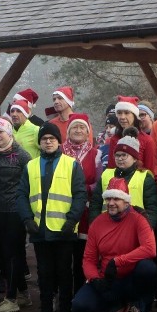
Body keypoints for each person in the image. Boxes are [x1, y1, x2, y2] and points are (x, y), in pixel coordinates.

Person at [17, 122, 86, 312]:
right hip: (39, 229)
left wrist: (72, 219)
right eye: (44, 139)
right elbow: (21, 194)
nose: (48, 142)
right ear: (39, 142)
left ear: (59, 142)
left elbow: (80, 194)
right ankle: (45, 310)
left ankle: (65, 311)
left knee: (65, 272)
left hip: (63, 229)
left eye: (52, 139)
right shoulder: (31, 165)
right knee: (44, 272)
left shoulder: (71, 164)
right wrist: (27, 219)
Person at [72, 177, 157, 312]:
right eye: (108, 198)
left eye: (116, 199)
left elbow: (150, 249)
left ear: (126, 202)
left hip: (132, 278)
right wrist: (94, 279)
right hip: (109, 280)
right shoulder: (98, 222)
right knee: (80, 307)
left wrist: (117, 261)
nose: (111, 203)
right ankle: (118, 305)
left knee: (148, 268)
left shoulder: (139, 219)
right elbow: (89, 259)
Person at [0, 117, 33, 312]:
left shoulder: (22, 156)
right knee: (2, 253)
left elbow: (31, 183)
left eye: (2, 132)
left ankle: (11, 298)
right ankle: (24, 294)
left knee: (13, 254)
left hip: (15, 210)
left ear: (10, 134)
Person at [61, 113, 101, 293]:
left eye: (82, 127)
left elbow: (99, 183)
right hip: (63, 210)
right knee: (63, 256)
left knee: (82, 254)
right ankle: (62, 294)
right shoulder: (59, 151)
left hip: (86, 211)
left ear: (88, 132)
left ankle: (80, 292)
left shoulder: (96, 154)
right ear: (68, 131)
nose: (78, 130)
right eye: (74, 127)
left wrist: (81, 190)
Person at [91, 133, 157, 229]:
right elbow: (95, 204)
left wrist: (146, 230)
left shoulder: (145, 177)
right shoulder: (106, 174)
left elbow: (152, 209)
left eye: (124, 155)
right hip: (106, 228)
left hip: (134, 229)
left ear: (135, 158)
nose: (120, 158)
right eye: (117, 155)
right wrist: (95, 227)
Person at [106, 96, 157, 180]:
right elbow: (111, 169)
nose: (122, 117)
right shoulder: (114, 139)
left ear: (135, 115)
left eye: (127, 113)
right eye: (119, 113)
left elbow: (151, 172)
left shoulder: (147, 140)